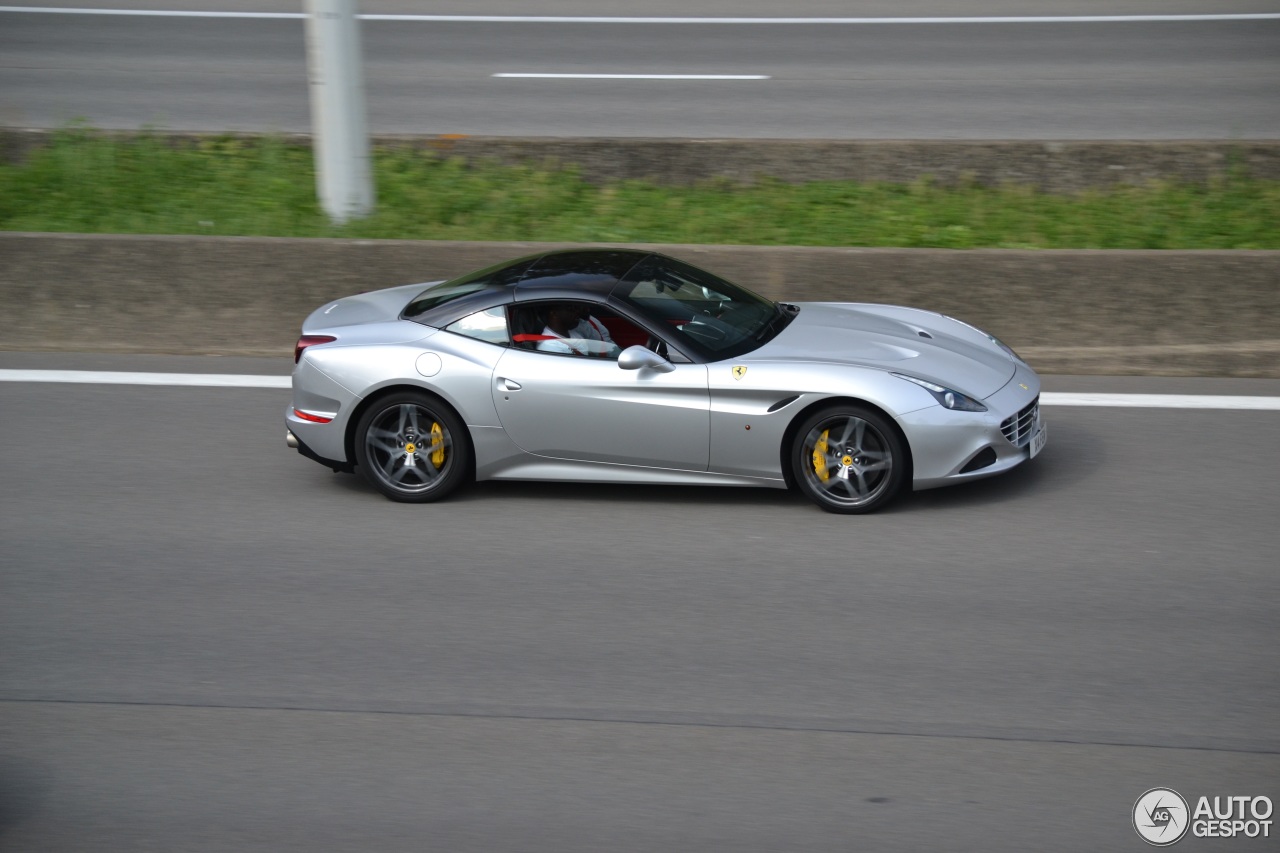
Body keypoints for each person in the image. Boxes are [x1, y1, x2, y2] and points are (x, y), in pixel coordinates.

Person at [535, 304, 619, 357]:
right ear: (554, 314)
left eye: (576, 308)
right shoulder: (550, 348)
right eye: (570, 308)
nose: (577, 312)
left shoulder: (573, 333)